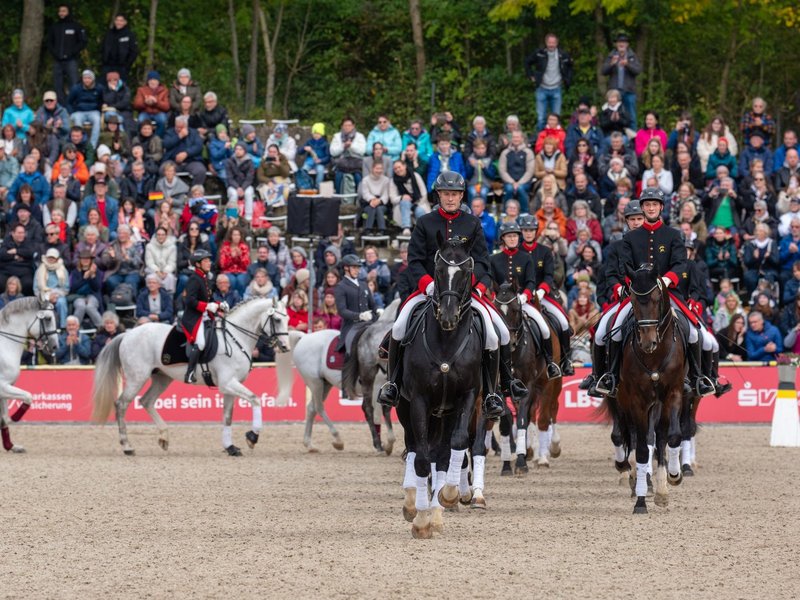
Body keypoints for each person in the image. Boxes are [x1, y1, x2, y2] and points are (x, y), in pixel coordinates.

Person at [377, 171, 526, 419]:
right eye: (446, 194)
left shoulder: (472, 223)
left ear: (461, 196)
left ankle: (495, 391)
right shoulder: (425, 222)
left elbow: (482, 262)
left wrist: (475, 286)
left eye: (455, 194)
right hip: (429, 290)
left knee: (495, 330)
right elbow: (414, 261)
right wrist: (427, 285)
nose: (450, 198)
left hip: (464, 292)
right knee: (400, 325)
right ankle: (393, 384)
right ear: (439, 195)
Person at [593, 188, 714, 397]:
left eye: (654, 204)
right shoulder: (630, 238)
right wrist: (633, 285)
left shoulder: (673, 235)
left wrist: (666, 280)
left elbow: (680, 264)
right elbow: (624, 267)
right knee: (608, 330)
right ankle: (609, 377)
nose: (650, 208)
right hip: (638, 295)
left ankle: (696, 378)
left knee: (694, 333)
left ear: (661, 207)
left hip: (667, 294)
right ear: (643, 207)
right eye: (647, 205)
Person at [491, 221, 562, 378]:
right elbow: (491, 281)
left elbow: (531, 281)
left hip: (521, 302)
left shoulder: (525, 258)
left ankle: (550, 363)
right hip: (500, 304)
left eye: (515, 236)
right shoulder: (494, 259)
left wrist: (526, 295)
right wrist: (494, 297)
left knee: (543, 327)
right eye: (509, 236)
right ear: (503, 239)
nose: (513, 239)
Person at [181, 249, 222, 383]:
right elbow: (190, 301)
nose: (209, 263)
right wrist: (206, 306)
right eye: (205, 261)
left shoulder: (204, 279)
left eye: (209, 260)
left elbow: (208, 300)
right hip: (194, 318)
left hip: (205, 316)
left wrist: (219, 305)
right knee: (201, 343)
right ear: (198, 264)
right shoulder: (194, 279)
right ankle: (190, 373)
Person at [524, 33, 573, 131]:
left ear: (557, 43)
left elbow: (570, 66)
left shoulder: (563, 55)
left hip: (556, 89)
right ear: (546, 43)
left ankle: (556, 141)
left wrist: (567, 79)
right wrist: (531, 76)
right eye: (549, 42)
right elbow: (527, 62)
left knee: (556, 118)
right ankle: (540, 142)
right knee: (541, 118)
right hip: (542, 88)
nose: (551, 45)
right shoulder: (539, 53)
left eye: (553, 42)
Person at [334, 253, 375, 352]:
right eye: (354, 267)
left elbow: (372, 305)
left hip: (369, 323)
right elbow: (342, 311)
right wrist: (359, 316)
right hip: (352, 326)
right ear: (346, 268)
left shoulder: (364, 284)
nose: (357, 270)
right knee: (351, 350)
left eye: (358, 267)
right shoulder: (341, 286)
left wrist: (379, 310)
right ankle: (348, 367)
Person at [602, 32, 641, 128]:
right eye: (619, 42)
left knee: (631, 116)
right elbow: (603, 71)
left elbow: (638, 70)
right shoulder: (611, 56)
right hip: (614, 93)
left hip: (629, 91)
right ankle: (615, 137)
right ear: (616, 44)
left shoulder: (632, 56)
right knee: (612, 116)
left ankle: (632, 139)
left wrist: (627, 64)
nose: (621, 44)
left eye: (624, 42)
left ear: (627, 44)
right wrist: (611, 64)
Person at [389, 159, 430, 235]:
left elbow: (424, 193)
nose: (398, 170)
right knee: (405, 202)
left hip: (419, 203)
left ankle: (423, 232)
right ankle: (406, 228)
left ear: (404, 166)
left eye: (399, 167)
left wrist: (415, 205)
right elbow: (392, 198)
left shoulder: (415, 176)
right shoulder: (393, 181)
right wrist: (401, 197)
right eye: (395, 169)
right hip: (402, 205)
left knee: (420, 211)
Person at [163, 116, 206, 186]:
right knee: (163, 169)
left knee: (201, 171)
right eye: (177, 127)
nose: (179, 129)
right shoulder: (169, 132)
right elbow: (166, 144)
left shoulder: (194, 133)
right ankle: (170, 193)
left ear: (186, 126)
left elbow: (198, 146)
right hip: (173, 161)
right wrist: (179, 136)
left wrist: (186, 153)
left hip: (191, 160)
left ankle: (194, 193)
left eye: (181, 127)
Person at [499, 130, 535, 212]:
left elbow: (530, 171)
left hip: (524, 182)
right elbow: (502, 170)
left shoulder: (528, 152)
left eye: (518, 137)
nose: (516, 139)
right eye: (514, 137)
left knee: (520, 189)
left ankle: (525, 212)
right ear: (511, 139)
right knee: (509, 189)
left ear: (522, 138)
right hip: (509, 182)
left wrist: (519, 183)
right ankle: (505, 212)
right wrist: (512, 182)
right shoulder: (505, 152)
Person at [33, 247, 69, 328]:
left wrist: (55, 295)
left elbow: (66, 289)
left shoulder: (63, 270)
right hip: (43, 295)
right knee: (42, 304)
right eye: (49, 257)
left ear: (57, 258)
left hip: (58, 295)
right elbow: (35, 289)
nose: (51, 259)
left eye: (53, 257)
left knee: (61, 303)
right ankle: (43, 328)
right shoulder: (39, 271)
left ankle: (62, 327)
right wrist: (47, 297)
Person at [67, 71, 103, 148]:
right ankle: (80, 143)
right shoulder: (76, 88)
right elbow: (69, 102)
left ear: (93, 79)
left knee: (97, 119)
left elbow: (101, 101)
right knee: (77, 120)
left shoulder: (99, 88)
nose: (87, 80)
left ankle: (92, 146)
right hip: (79, 112)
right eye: (85, 78)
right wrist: (71, 113)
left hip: (93, 111)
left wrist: (100, 110)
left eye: (89, 78)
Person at [70, 249, 104, 328]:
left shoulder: (97, 271)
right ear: (80, 260)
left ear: (91, 260)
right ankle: (74, 328)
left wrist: (92, 276)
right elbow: (73, 288)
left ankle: (101, 327)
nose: (85, 260)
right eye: (83, 258)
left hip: (93, 295)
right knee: (80, 306)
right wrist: (84, 278)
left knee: (90, 307)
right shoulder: (75, 272)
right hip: (78, 296)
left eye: (87, 258)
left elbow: (97, 288)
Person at [101, 13, 138, 82]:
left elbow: (134, 51)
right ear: (114, 21)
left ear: (125, 22)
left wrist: (127, 65)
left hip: (122, 67)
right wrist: (103, 60)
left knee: (121, 88)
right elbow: (103, 48)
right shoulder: (109, 33)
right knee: (105, 87)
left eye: (121, 21)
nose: (119, 22)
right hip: (107, 66)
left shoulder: (129, 35)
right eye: (117, 20)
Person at [0, 224, 35, 295]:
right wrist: (14, 257)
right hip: (7, 271)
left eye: (23, 233)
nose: (21, 235)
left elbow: (30, 253)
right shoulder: (6, 241)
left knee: (28, 284)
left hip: (24, 271)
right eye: (19, 233)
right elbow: (2, 254)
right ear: (13, 233)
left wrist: (16, 251)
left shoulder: (28, 242)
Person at [225, 142, 256, 222]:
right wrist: (237, 188)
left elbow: (250, 178)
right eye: (236, 149)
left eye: (240, 149)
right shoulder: (230, 161)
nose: (238, 151)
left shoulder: (249, 162)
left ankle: (248, 219)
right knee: (234, 194)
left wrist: (242, 188)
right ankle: (231, 217)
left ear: (245, 151)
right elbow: (229, 178)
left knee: (248, 193)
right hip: (233, 185)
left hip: (246, 185)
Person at [133, 71, 170, 136]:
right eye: (151, 80)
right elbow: (136, 105)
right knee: (140, 121)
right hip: (145, 112)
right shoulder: (141, 90)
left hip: (159, 112)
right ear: (148, 81)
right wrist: (145, 102)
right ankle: (141, 139)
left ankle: (157, 139)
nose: (153, 82)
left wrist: (156, 102)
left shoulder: (164, 90)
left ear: (158, 81)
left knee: (163, 121)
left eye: (155, 80)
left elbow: (167, 106)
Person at [360, 161, 390, 233]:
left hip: (382, 203)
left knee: (379, 208)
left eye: (381, 169)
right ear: (372, 169)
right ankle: (368, 230)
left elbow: (386, 195)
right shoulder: (366, 180)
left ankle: (382, 230)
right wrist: (372, 199)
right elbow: (365, 193)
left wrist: (379, 201)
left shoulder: (386, 180)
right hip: (368, 203)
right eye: (377, 168)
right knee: (372, 208)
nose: (379, 171)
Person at [299, 123, 330, 191]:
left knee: (320, 170)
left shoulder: (325, 143)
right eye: (314, 133)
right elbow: (299, 152)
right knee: (303, 170)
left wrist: (321, 160)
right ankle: (306, 185)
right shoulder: (309, 142)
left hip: (320, 162)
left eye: (318, 133)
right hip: (309, 161)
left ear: (322, 134)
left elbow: (328, 157)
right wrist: (304, 148)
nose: (316, 135)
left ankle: (317, 188)